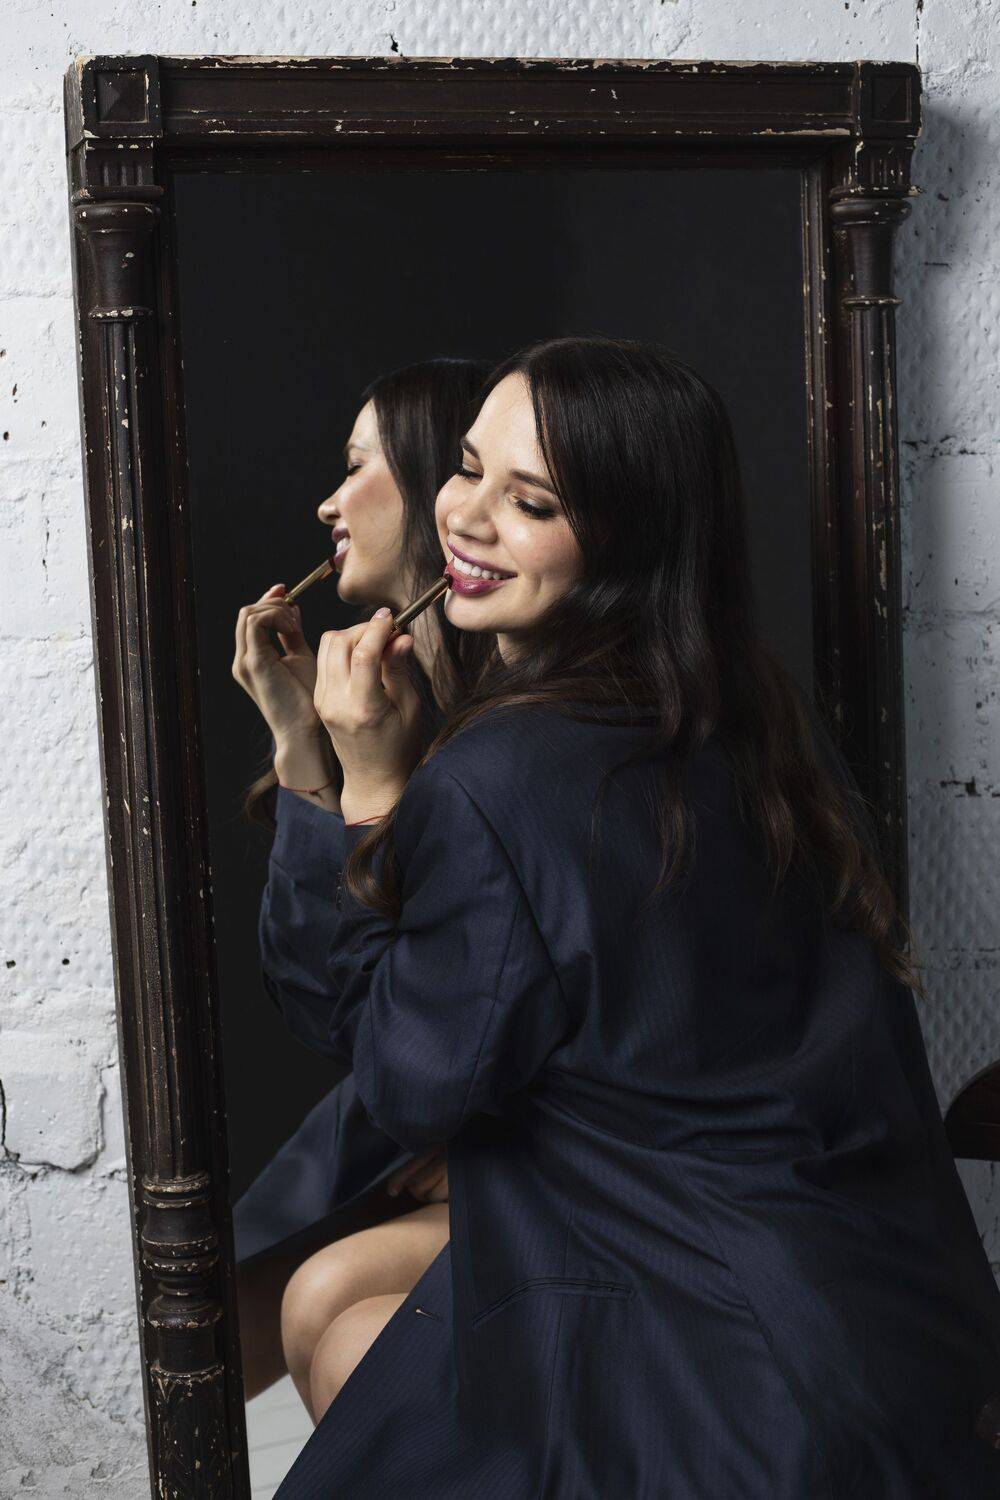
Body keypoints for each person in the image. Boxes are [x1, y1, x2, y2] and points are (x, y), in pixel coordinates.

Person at [271, 334, 1000, 1497]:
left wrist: (361, 790)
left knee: (359, 1359)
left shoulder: (497, 776)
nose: (466, 518)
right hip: (889, 1324)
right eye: (467, 469)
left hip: (712, 1368)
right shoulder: (755, 713)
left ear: (624, 537)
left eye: (532, 504)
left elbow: (408, 1084)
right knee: (336, 1309)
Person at [231, 356, 492, 1402]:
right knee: (212, 1326)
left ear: (437, 486)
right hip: (404, 1117)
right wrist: (301, 742)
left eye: (356, 467)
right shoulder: (395, 705)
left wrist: (485, 1142)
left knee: (310, 1303)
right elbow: (318, 1002)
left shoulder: (513, 727)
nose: (328, 503)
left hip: (488, 1128)